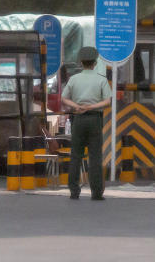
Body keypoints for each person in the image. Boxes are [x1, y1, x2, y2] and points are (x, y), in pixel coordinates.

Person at [61, 46, 112, 201]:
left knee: (76, 155)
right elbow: (108, 101)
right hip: (95, 119)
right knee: (95, 156)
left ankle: (74, 191)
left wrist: (77, 106)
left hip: (78, 119)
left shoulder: (74, 79)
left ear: (81, 62)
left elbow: (64, 98)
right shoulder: (101, 79)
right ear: (95, 63)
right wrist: (91, 106)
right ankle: (96, 193)